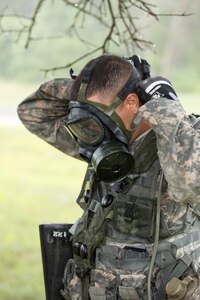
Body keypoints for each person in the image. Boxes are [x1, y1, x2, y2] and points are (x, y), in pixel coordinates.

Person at [17, 54, 200, 300]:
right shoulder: (104, 145)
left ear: (133, 103)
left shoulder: (186, 139)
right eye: (85, 122)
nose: (89, 138)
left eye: (96, 120)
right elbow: (31, 112)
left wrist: (166, 109)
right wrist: (83, 90)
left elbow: (189, 185)